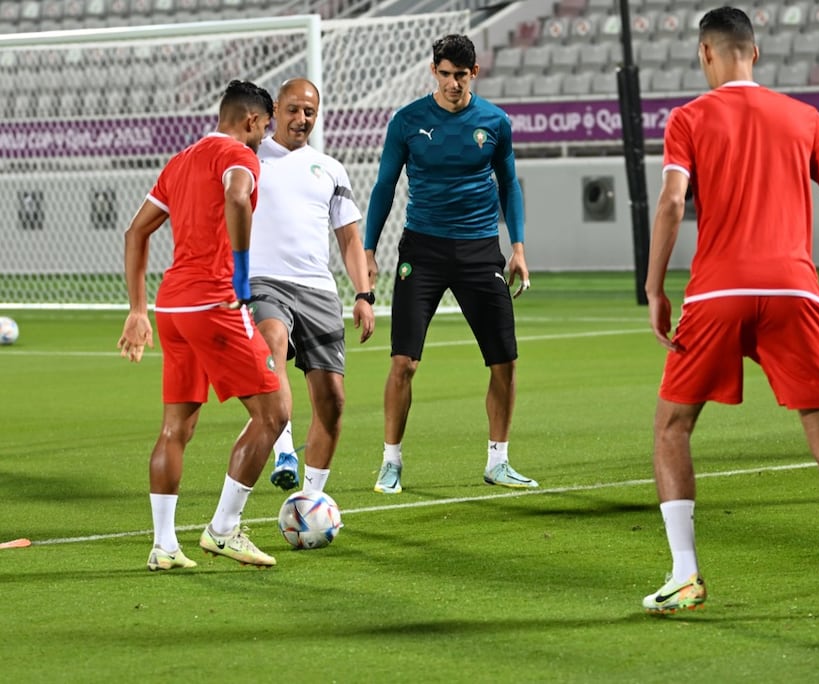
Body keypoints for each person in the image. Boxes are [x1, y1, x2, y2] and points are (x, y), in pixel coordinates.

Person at [643, 7, 819, 618]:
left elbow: (671, 204)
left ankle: (685, 575)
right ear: (756, 52)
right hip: (795, 293)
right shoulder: (804, 118)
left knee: (672, 429)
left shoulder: (688, 118)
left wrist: (654, 287)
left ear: (705, 54)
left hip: (716, 294)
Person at [118, 80, 287, 571]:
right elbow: (238, 197)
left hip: (171, 308)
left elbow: (136, 231)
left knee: (176, 428)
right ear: (252, 121)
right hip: (215, 303)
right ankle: (223, 530)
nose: (263, 138)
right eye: (265, 127)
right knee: (273, 414)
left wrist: (136, 310)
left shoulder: (181, 159)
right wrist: (239, 270)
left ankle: (165, 546)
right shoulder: (240, 155)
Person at [363, 34, 538, 493]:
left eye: (461, 75)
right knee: (404, 362)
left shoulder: (495, 123)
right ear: (433, 71)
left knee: (504, 362)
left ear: (474, 73)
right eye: (446, 74)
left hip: (481, 251)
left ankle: (498, 461)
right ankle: (391, 461)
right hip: (422, 250)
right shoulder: (407, 122)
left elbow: (510, 185)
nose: (453, 83)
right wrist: (367, 251)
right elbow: (384, 187)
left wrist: (517, 247)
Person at [248, 78, 376, 495]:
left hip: (317, 290)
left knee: (333, 401)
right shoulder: (249, 158)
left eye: (309, 112)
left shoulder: (331, 169)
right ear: (274, 111)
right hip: (264, 280)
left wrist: (363, 294)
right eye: (293, 110)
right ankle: (283, 447)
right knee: (273, 344)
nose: (301, 119)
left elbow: (350, 238)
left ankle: (312, 497)